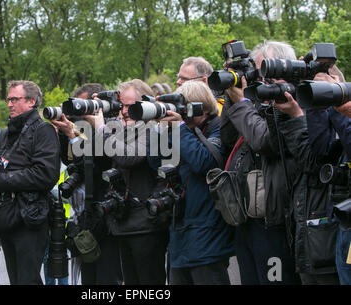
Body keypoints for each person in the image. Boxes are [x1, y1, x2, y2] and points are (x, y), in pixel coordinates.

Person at [221, 40, 301, 284]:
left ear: (282, 68)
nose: (258, 77)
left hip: (274, 220)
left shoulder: (289, 102)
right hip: (247, 216)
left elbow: (264, 141)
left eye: (262, 70)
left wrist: (243, 103)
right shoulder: (256, 100)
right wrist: (232, 92)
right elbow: (227, 137)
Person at [149, 80, 235, 284]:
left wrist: (179, 127)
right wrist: (160, 128)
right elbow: (155, 162)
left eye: (184, 106)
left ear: (202, 107)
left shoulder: (218, 128)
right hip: (180, 234)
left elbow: (204, 163)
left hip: (208, 235)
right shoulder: (181, 130)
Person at [86, 79, 169, 284]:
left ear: (146, 106)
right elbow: (95, 160)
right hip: (124, 222)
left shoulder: (153, 130)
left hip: (146, 224)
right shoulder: (121, 132)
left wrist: (101, 129)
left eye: (130, 106)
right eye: (121, 105)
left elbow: (128, 157)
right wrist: (81, 126)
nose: (124, 111)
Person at [0, 80, 60, 285]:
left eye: (15, 99)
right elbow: (8, 165)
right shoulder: (7, 133)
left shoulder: (44, 130)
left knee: (27, 280)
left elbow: (46, 175)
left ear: (31, 101)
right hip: (7, 216)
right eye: (8, 99)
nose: (9, 104)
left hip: (30, 216)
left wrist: (1, 180)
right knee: (16, 280)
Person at [275, 71, 350, 285]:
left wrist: (336, 98)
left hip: (328, 218)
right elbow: (321, 149)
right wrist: (317, 104)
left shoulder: (343, 111)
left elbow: (313, 160)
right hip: (339, 219)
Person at [51, 83, 123, 285]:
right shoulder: (85, 128)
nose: (80, 113)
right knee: (89, 280)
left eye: (83, 106)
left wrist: (75, 135)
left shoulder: (111, 126)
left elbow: (99, 163)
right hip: (87, 216)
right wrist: (67, 133)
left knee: (108, 279)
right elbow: (72, 162)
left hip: (108, 215)